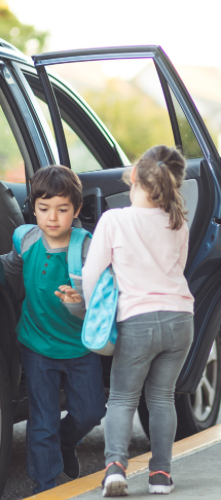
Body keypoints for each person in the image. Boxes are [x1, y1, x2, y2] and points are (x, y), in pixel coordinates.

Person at [81, 145, 194, 496]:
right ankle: (161, 475)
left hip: (137, 321)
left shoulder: (115, 220)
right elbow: (181, 267)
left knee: (122, 398)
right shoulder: (178, 221)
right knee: (162, 398)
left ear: (133, 176)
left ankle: (115, 468)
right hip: (180, 320)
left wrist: (90, 312)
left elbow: (91, 273)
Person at [0, 165, 106, 494]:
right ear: (33, 208)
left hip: (79, 346)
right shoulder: (26, 238)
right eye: (44, 209)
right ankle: (47, 486)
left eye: (62, 209)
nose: (53, 217)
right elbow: (10, 266)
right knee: (42, 420)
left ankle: (65, 440)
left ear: (76, 210)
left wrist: (81, 299)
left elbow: (103, 296)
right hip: (36, 345)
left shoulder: (86, 247)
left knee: (91, 412)